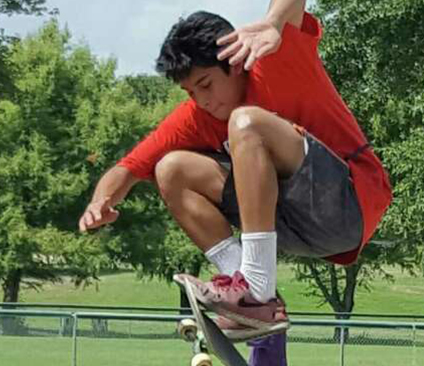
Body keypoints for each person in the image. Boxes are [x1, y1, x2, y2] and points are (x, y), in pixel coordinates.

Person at [78, 0, 392, 344]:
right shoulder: (195, 118)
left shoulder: (274, 59)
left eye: (206, 84)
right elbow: (127, 169)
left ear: (234, 62)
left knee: (245, 123)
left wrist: (274, 23)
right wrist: (100, 201)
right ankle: (255, 303)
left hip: (350, 203)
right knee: (170, 169)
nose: (202, 101)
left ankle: (254, 286)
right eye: (191, 92)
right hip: (296, 228)